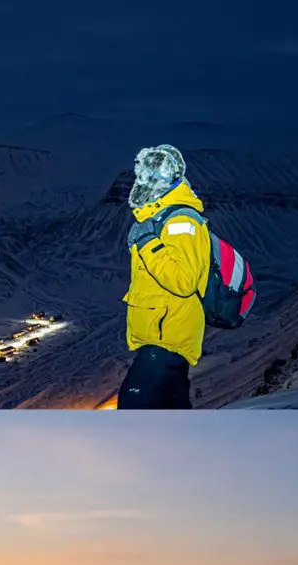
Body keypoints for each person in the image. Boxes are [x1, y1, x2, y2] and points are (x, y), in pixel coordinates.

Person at [118, 144, 211, 410]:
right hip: (161, 337)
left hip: (167, 337)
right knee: (171, 417)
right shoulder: (161, 217)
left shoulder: (182, 222)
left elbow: (183, 281)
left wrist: (147, 242)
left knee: (133, 408)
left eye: (150, 176)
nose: (143, 181)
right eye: (142, 175)